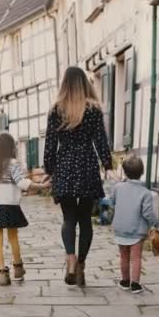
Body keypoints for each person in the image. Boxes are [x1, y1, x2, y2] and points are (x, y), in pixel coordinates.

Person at [43, 66, 114, 287]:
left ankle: (70, 260)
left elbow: (49, 145)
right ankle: (81, 265)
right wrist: (107, 164)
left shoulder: (56, 110)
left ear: (64, 84)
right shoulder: (93, 109)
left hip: (64, 166)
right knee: (85, 221)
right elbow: (101, 141)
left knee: (68, 219)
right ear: (85, 83)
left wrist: (50, 170)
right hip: (86, 166)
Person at [0, 133, 51, 286]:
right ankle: (18, 268)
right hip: (9, 205)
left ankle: (2, 274)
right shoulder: (13, 163)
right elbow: (21, 183)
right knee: (13, 237)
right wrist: (41, 186)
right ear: (10, 148)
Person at [110, 155, 159, 294]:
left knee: (123, 256)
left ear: (125, 172)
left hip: (120, 228)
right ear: (142, 172)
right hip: (137, 230)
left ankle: (125, 281)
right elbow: (148, 213)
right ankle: (135, 284)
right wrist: (157, 224)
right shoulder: (145, 193)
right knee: (136, 257)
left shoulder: (117, 188)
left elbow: (112, 201)